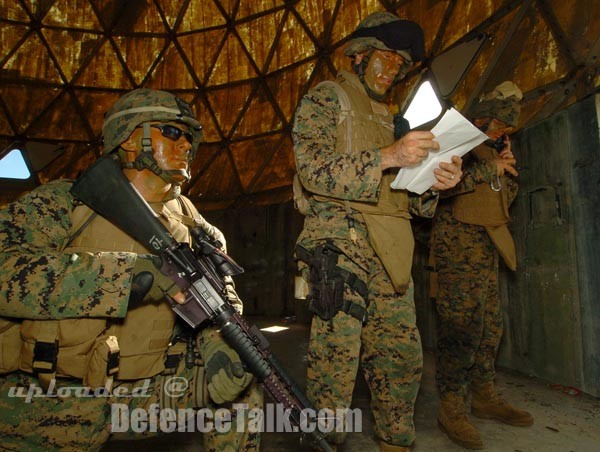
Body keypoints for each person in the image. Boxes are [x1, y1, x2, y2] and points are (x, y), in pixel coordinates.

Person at [0, 88, 262, 451]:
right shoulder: (66, 201)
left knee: (244, 389)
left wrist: (221, 346)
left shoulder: (194, 224)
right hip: (54, 390)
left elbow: (220, 300)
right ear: (128, 137)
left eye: (189, 137)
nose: (186, 144)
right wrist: (125, 277)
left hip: (150, 388)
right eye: (171, 132)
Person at [292, 12, 463, 452]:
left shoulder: (395, 120)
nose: (392, 70)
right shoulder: (326, 98)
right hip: (340, 244)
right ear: (360, 56)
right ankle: (324, 443)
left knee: (402, 362)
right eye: (385, 58)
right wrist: (388, 156)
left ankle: (396, 442)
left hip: (391, 248)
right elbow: (312, 170)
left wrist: (434, 184)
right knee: (335, 368)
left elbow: (408, 197)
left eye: (400, 65)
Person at [430, 81, 533, 449]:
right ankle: (452, 407)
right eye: (499, 125)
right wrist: (492, 171)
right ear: (484, 118)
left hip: (487, 249)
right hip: (457, 249)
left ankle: (484, 396)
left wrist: (506, 173)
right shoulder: (457, 144)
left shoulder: (491, 151)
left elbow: (502, 199)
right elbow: (439, 188)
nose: (503, 133)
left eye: (508, 129)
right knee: (460, 332)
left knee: (490, 329)